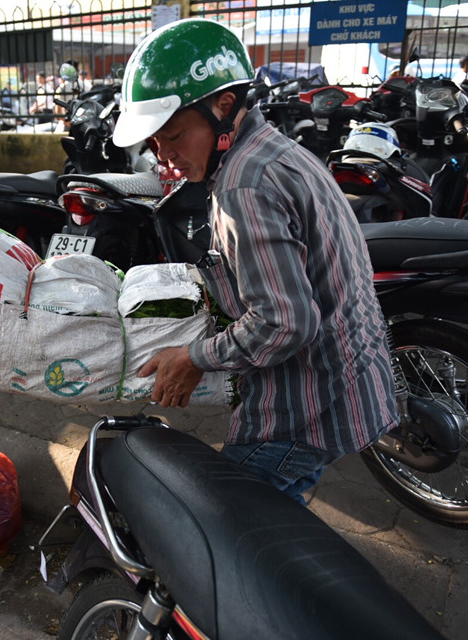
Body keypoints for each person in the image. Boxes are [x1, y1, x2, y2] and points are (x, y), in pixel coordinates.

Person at [111, 19, 398, 503]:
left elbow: (285, 322)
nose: (164, 157)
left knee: (224, 522)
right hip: (343, 385)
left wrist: (193, 359)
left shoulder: (244, 185)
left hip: (303, 408)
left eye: (174, 135)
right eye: (155, 143)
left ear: (224, 107)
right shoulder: (275, 151)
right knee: (278, 526)